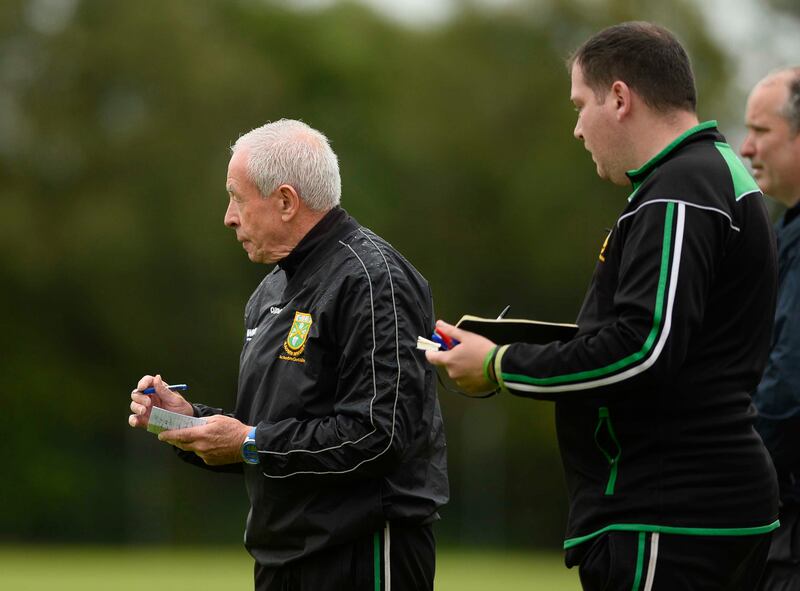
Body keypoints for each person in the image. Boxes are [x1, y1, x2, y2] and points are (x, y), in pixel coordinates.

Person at [427, 22, 779, 590]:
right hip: (702, 507)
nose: (576, 128)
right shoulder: (710, 177)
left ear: (619, 98)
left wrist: (501, 364)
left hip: (669, 514)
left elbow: (645, 348)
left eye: (579, 104)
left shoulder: (679, 189)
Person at [128, 119, 448, 591]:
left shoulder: (372, 279)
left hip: (362, 554)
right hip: (281, 558)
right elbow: (271, 433)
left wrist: (251, 441)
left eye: (237, 197)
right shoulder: (269, 291)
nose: (228, 217)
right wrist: (190, 421)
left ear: (284, 201)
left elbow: (380, 435)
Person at [741, 67, 800, 591]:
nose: (745, 148)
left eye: (760, 131)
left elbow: (788, 386)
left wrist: (731, 474)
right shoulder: (786, 231)